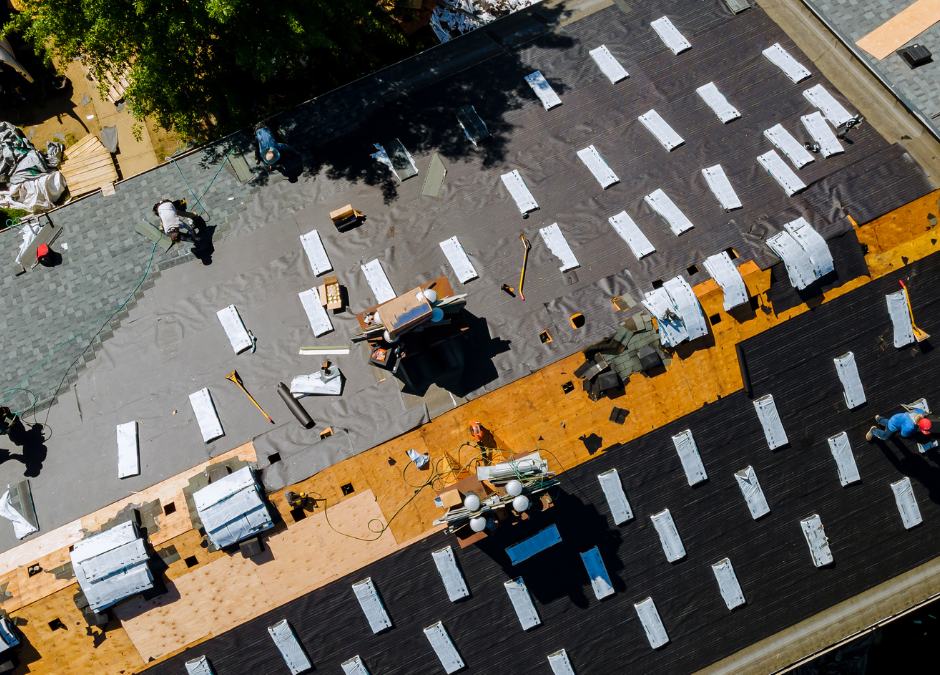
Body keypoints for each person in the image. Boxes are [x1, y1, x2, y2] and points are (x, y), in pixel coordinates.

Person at [867, 408, 931, 441]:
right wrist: (915, 430)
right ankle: (873, 431)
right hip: (893, 426)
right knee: (885, 436)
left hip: (896, 417)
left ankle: (879, 418)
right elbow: (903, 434)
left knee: (888, 422)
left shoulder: (921, 413)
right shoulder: (909, 427)